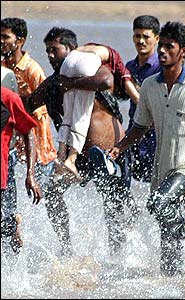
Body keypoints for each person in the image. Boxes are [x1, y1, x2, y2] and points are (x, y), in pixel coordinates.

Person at [107, 21, 185, 276]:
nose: (161, 51)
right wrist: (120, 147)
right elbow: (140, 126)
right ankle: (172, 277)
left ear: (183, 51)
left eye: (168, 46)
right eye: (160, 45)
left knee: (157, 202)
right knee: (166, 229)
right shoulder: (150, 85)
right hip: (162, 168)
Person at [27, 27, 140, 257]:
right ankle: (66, 249)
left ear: (70, 51)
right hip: (79, 158)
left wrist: (73, 83)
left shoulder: (93, 69)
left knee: (114, 207)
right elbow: (27, 105)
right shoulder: (53, 84)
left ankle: (118, 258)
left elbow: (106, 80)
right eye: (47, 51)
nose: (50, 56)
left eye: (54, 50)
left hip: (109, 153)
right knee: (53, 192)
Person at [56, 42, 139, 177]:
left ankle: (60, 157)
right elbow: (131, 91)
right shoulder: (117, 61)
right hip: (86, 64)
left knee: (68, 115)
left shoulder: (94, 46)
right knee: (81, 114)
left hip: (68, 61)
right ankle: (71, 159)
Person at [1, 17, 57, 181]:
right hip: (11, 137)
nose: (1, 41)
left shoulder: (32, 69)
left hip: (36, 138)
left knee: (40, 185)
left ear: (20, 41)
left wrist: (23, 104)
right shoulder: (3, 68)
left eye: (5, 37)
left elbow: (47, 102)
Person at [1, 86, 43, 255]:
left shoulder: (8, 99)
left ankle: (11, 226)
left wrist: (30, 175)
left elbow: (29, 132)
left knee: (5, 233)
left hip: (1, 178)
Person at [125, 15, 161, 182]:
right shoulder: (129, 67)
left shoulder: (161, 68)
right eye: (137, 36)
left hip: (156, 133)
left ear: (156, 38)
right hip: (133, 131)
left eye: (146, 36)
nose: (141, 41)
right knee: (128, 180)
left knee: (155, 180)